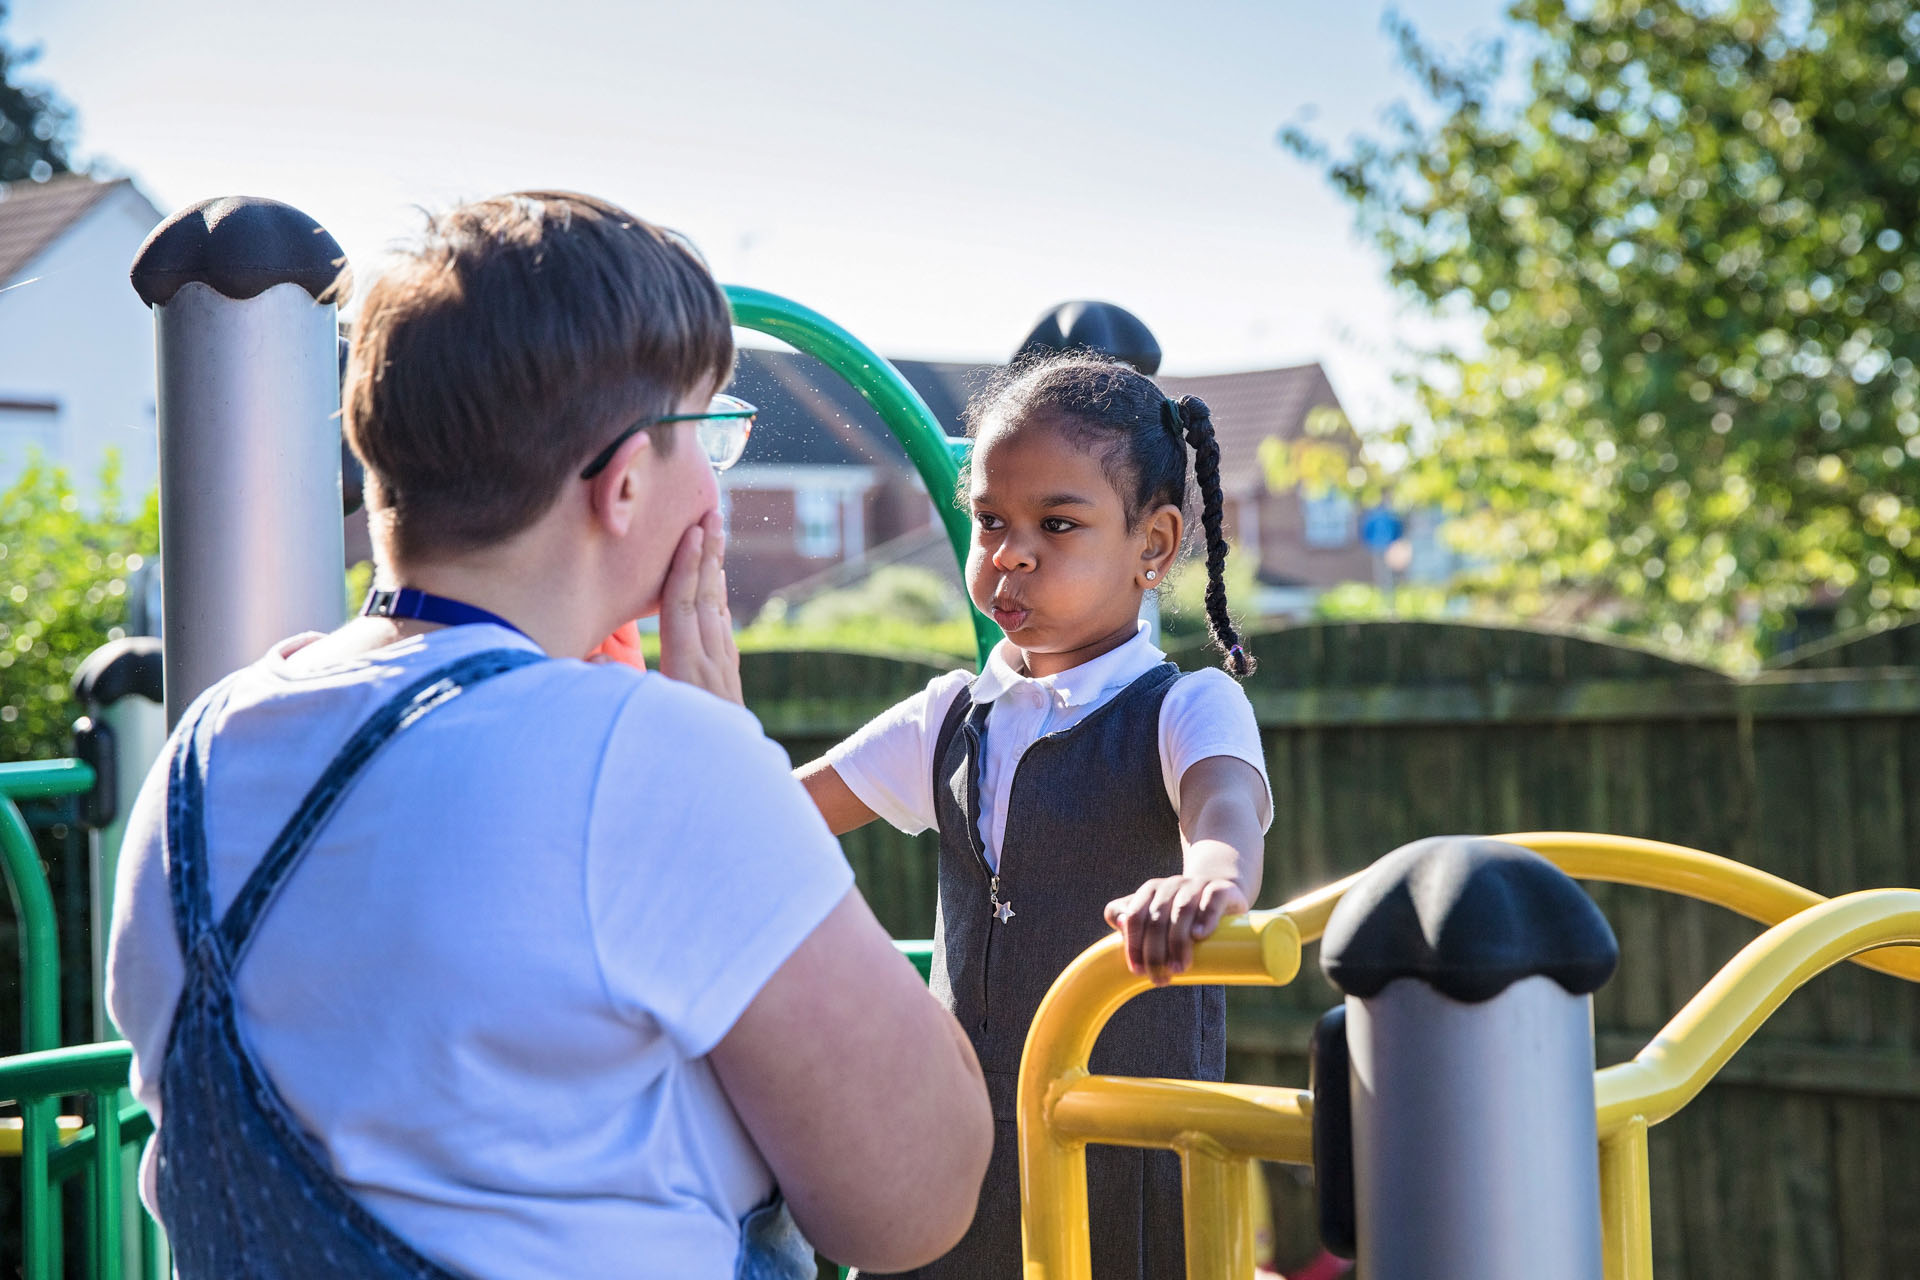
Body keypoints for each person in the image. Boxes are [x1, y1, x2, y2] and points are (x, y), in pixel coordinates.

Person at [105, 191, 991, 1280]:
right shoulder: (655, 761)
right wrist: (734, 761)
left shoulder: (200, 753)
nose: (717, 480)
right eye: (710, 434)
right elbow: (917, 1194)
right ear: (624, 483)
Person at [797, 353, 1273, 1278]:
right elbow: (780, 815)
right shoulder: (948, 717)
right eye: (990, 521)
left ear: (1154, 544)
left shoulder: (1185, 708)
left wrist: (1208, 880)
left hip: (1123, 1153)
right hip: (959, 1154)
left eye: (1057, 524)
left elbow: (1224, 812)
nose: (1010, 551)